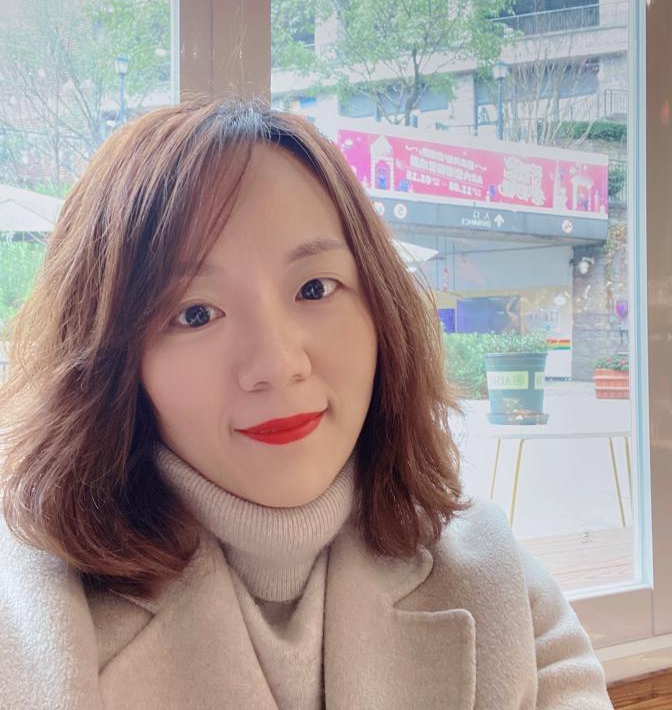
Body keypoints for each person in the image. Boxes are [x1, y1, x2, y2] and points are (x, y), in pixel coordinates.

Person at [0, 98, 613, 710]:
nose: (277, 363)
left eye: (315, 288)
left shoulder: (499, 587)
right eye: (195, 313)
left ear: (381, 308)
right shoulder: (36, 615)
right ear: (109, 360)